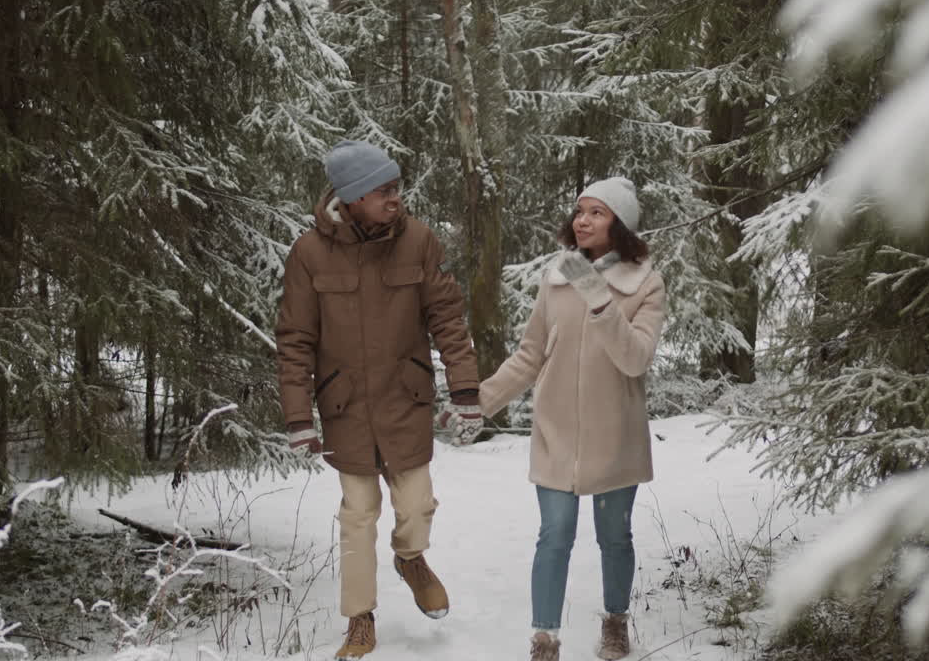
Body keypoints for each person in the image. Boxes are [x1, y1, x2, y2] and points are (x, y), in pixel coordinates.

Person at [275, 139, 485, 660]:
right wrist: (298, 416)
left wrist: (465, 390)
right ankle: (360, 618)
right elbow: (295, 339)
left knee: (416, 504)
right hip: (344, 407)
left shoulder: (419, 241)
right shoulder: (309, 253)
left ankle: (410, 558)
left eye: (397, 187)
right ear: (352, 197)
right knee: (358, 513)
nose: (395, 198)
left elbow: (448, 320)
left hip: (404, 399)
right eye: (383, 190)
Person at [446, 176, 666, 661]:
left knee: (615, 537)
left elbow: (635, 360)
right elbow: (530, 355)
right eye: (579, 211)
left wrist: (601, 301)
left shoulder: (645, 283)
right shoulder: (558, 276)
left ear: (620, 224)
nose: (582, 220)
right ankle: (544, 639)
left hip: (616, 435)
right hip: (557, 431)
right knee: (555, 534)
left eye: (596, 212)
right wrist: (478, 403)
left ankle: (615, 622)